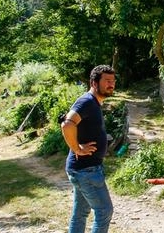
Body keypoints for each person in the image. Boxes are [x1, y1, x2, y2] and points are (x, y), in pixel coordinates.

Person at [61, 65, 117, 233]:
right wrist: (77, 148)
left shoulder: (93, 103)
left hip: (84, 169)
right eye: (107, 81)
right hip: (86, 170)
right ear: (94, 82)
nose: (111, 85)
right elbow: (67, 124)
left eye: (113, 81)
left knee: (80, 214)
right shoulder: (86, 102)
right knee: (104, 211)